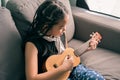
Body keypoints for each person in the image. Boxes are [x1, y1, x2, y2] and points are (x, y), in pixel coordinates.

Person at [23, 0, 105, 80]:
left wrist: (87, 48)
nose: (64, 30)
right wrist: (63, 68)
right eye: (61, 27)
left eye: (65, 26)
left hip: (71, 70)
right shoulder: (33, 44)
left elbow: (66, 55)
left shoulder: (61, 36)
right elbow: (31, 78)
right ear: (46, 26)